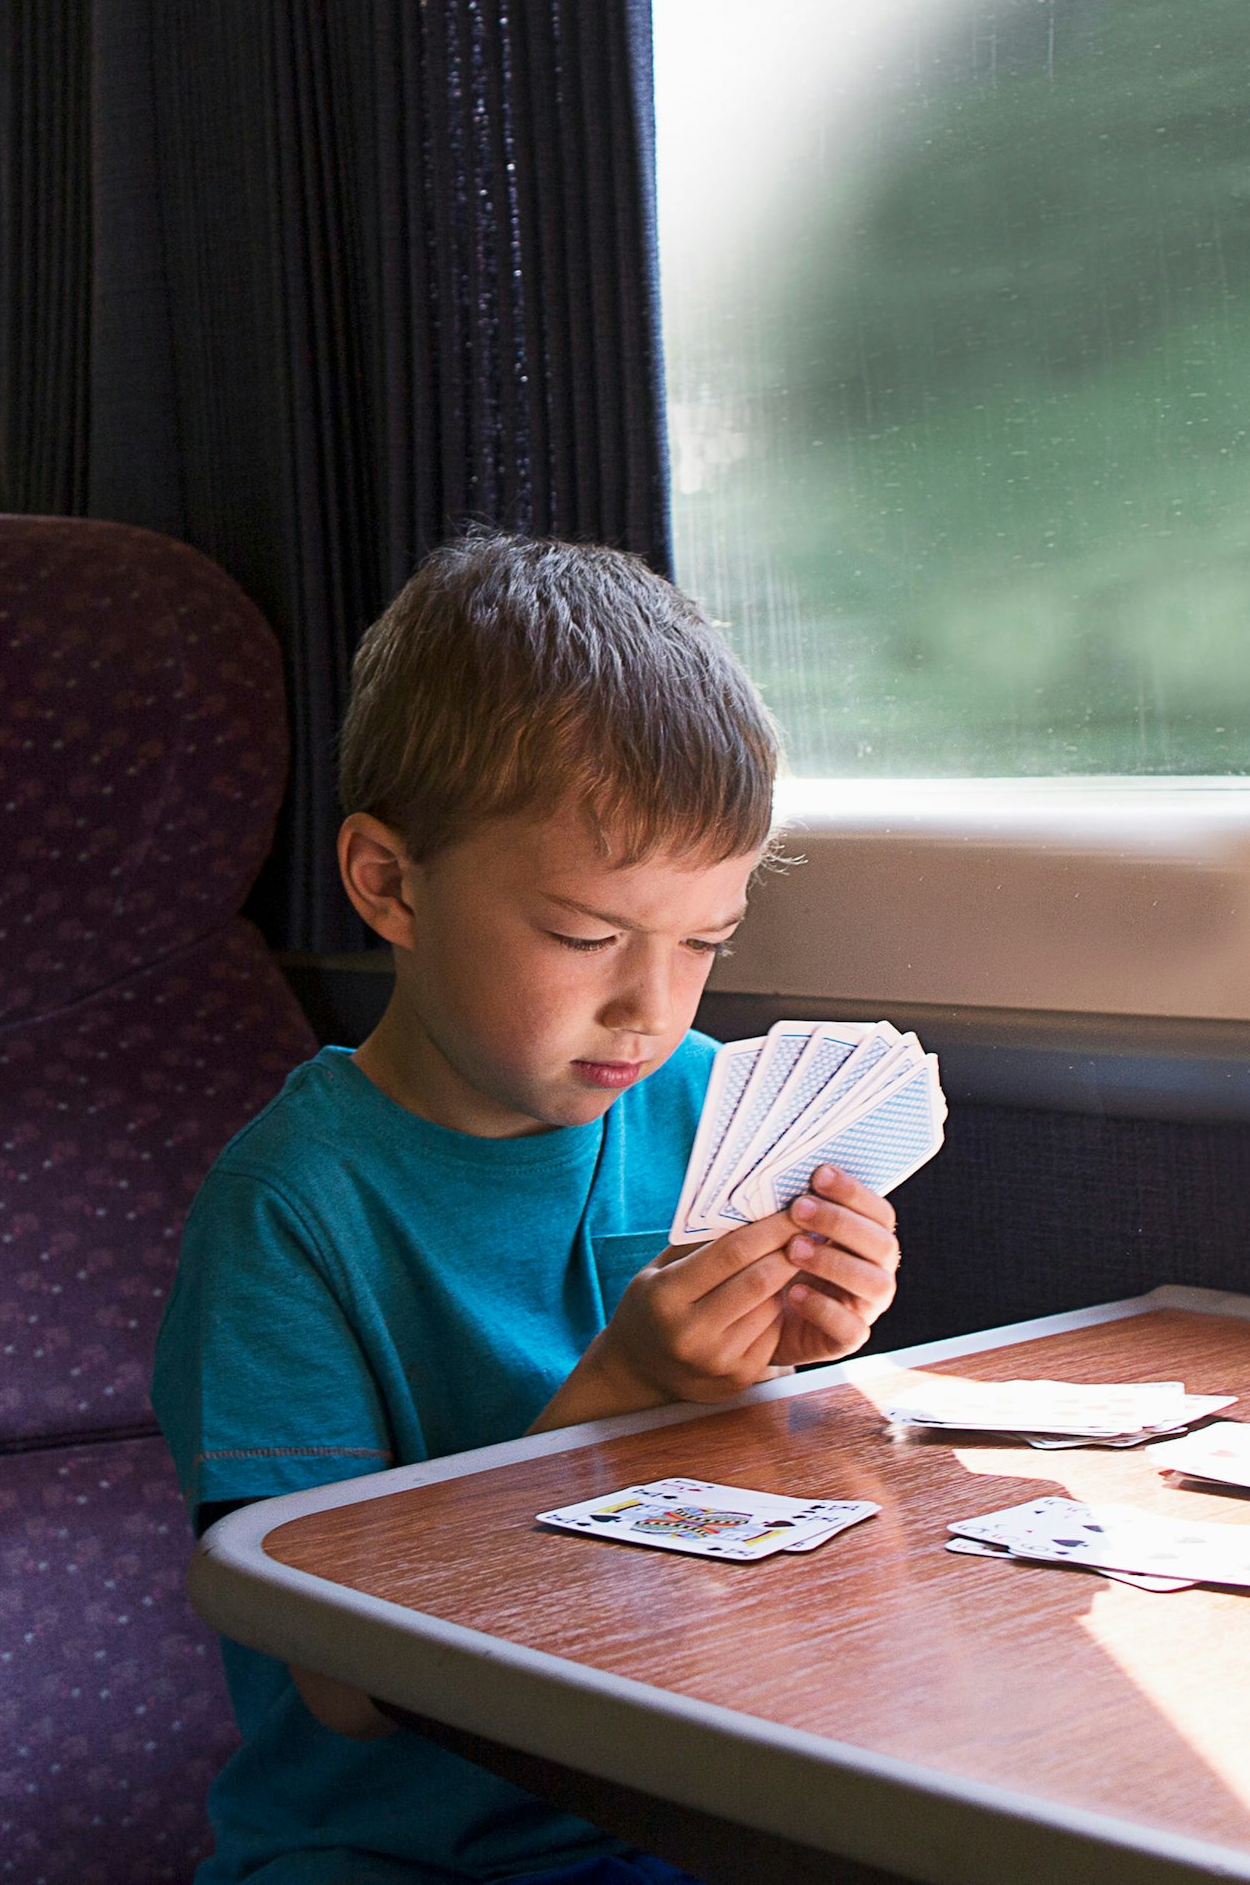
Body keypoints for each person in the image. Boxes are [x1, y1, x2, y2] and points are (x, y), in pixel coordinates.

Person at [153, 532, 905, 1885]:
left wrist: (806, 1349)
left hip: (677, 1802)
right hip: (397, 1850)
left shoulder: (704, 1113)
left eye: (703, 944)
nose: (654, 1006)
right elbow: (342, 1680)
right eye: (585, 936)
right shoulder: (293, 1212)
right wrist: (621, 1392)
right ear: (389, 883)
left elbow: (768, 1533)